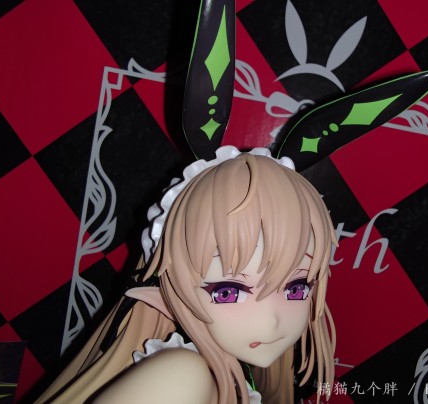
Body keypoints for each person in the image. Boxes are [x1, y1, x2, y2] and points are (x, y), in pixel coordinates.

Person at [37, 146, 337, 404]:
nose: (272, 320)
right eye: (227, 292)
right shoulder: (180, 376)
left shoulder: (230, 371)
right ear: (171, 287)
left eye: (297, 288)